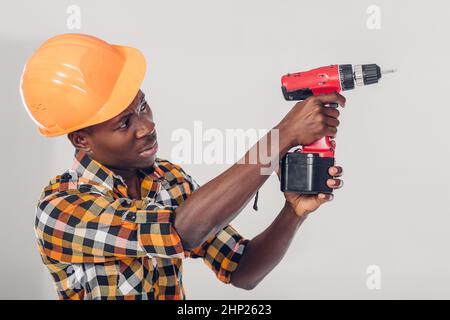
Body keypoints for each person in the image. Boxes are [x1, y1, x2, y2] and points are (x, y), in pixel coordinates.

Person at [21, 33, 345, 300]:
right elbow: (181, 232)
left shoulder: (168, 181)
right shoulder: (63, 208)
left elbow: (242, 271)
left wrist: (293, 212)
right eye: (124, 123)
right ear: (82, 140)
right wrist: (282, 136)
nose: (146, 126)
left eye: (143, 106)